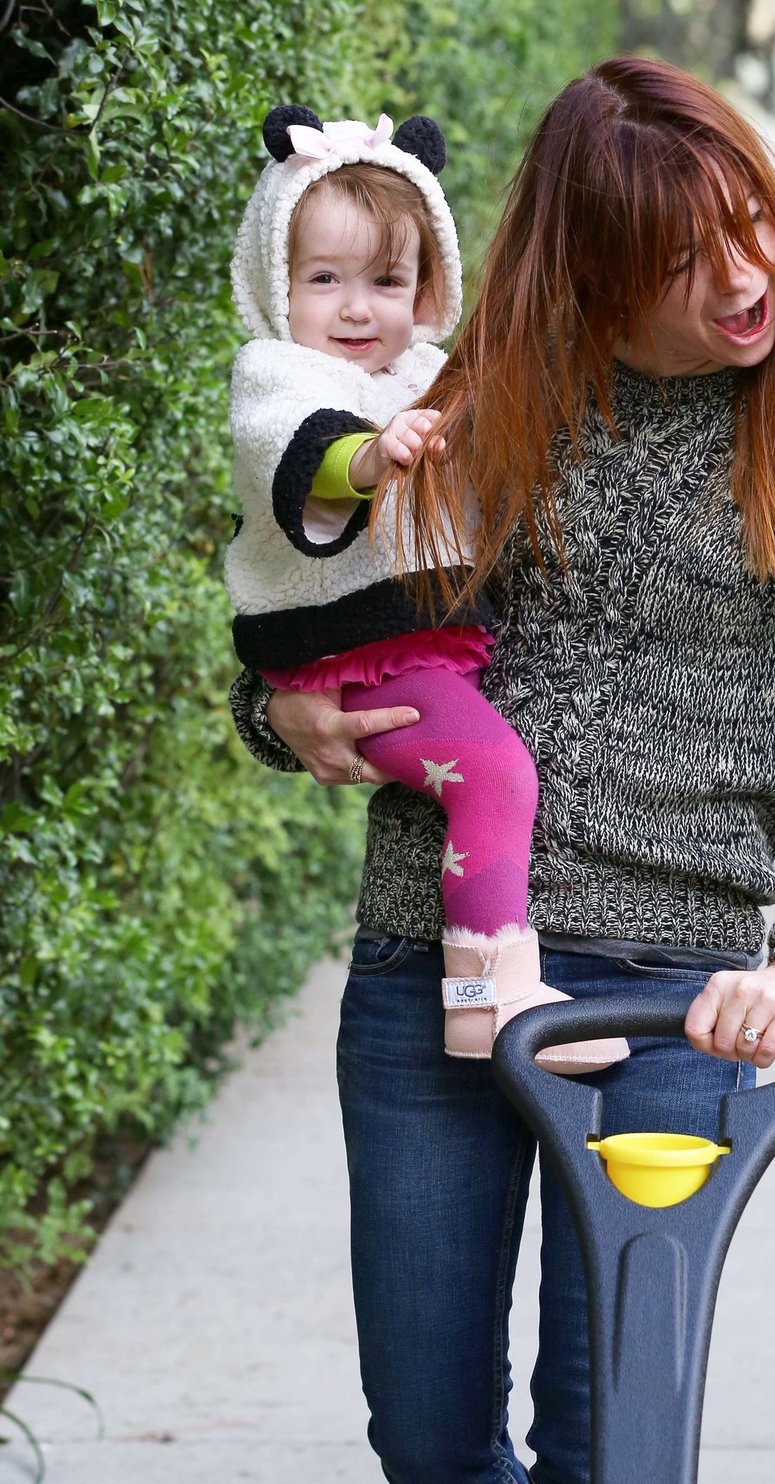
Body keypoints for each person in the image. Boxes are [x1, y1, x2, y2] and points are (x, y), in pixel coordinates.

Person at [229, 56, 775, 1484]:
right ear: (591, 270)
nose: (743, 272)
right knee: (430, 1439)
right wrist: (279, 715)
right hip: (436, 964)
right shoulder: (478, 400)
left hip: (675, 993)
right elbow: (315, 608)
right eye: (680, 259)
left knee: (613, 1446)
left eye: (748, 220)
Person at [226, 103, 627, 1074]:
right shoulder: (276, 372)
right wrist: (371, 458)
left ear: (429, 284)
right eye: (325, 280)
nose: (357, 308)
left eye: (387, 281)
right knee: (493, 775)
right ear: (277, 285)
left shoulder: (427, 370)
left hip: (403, 640)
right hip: (348, 648)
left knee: (488, 774)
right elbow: (302, 457)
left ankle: (489, 992)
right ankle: (489, 995)